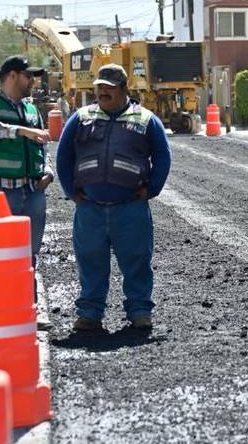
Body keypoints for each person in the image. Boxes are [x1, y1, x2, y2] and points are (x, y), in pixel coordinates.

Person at [56, 64, 171, 332]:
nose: (102, 92)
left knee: (137, 261)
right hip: (90, 209)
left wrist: (152, 189)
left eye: (108, 87)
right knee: (89, 262)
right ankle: (89, 314)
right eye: (99, 87)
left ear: (123, 89)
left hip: (130, 209)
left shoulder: (146, 119)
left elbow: (163, 155)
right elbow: (63, 155)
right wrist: (70, 191)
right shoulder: (81, 117)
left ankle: (140, 312)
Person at [0, 56, 54, 271]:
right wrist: (20, 131)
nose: (33, 81)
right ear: (12, 75)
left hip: (33, 192)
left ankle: (27, 291)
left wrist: (48, 172)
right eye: (28, 76)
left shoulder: (31, 109)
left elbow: (42, 146)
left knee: (29, 256)